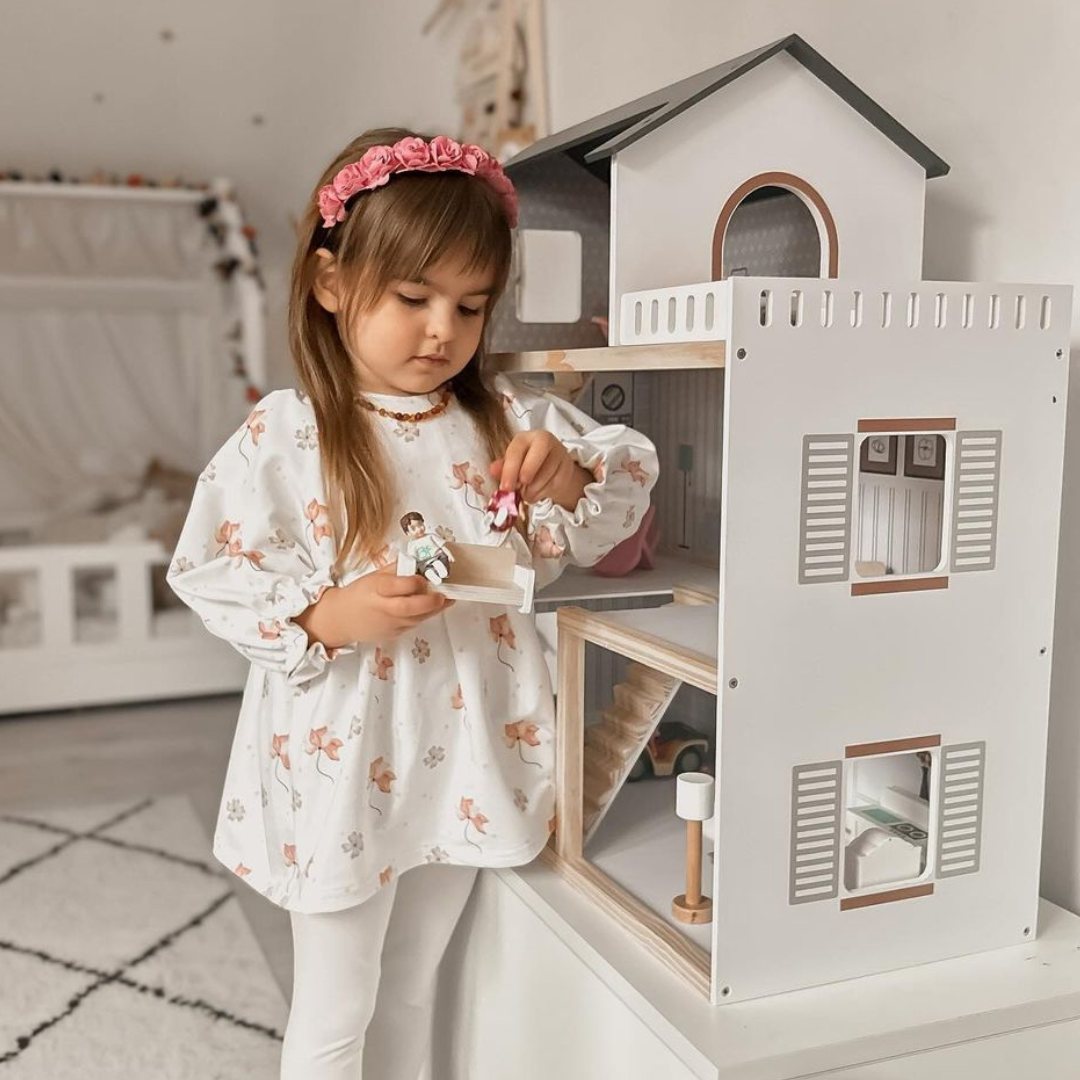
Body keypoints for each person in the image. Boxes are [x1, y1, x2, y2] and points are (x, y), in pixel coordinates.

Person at [167, 128, 659, 1079]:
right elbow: (208, 566)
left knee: (414, 986)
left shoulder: (505, 420)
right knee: (336, 1006)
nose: (444, 329)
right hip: (345, 759)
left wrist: (562, 478)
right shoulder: (291, 433)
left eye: (471, 306)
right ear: (331, 283)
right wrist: (320, 616)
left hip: (469, 745)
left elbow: (611, 501)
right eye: (414, 297)